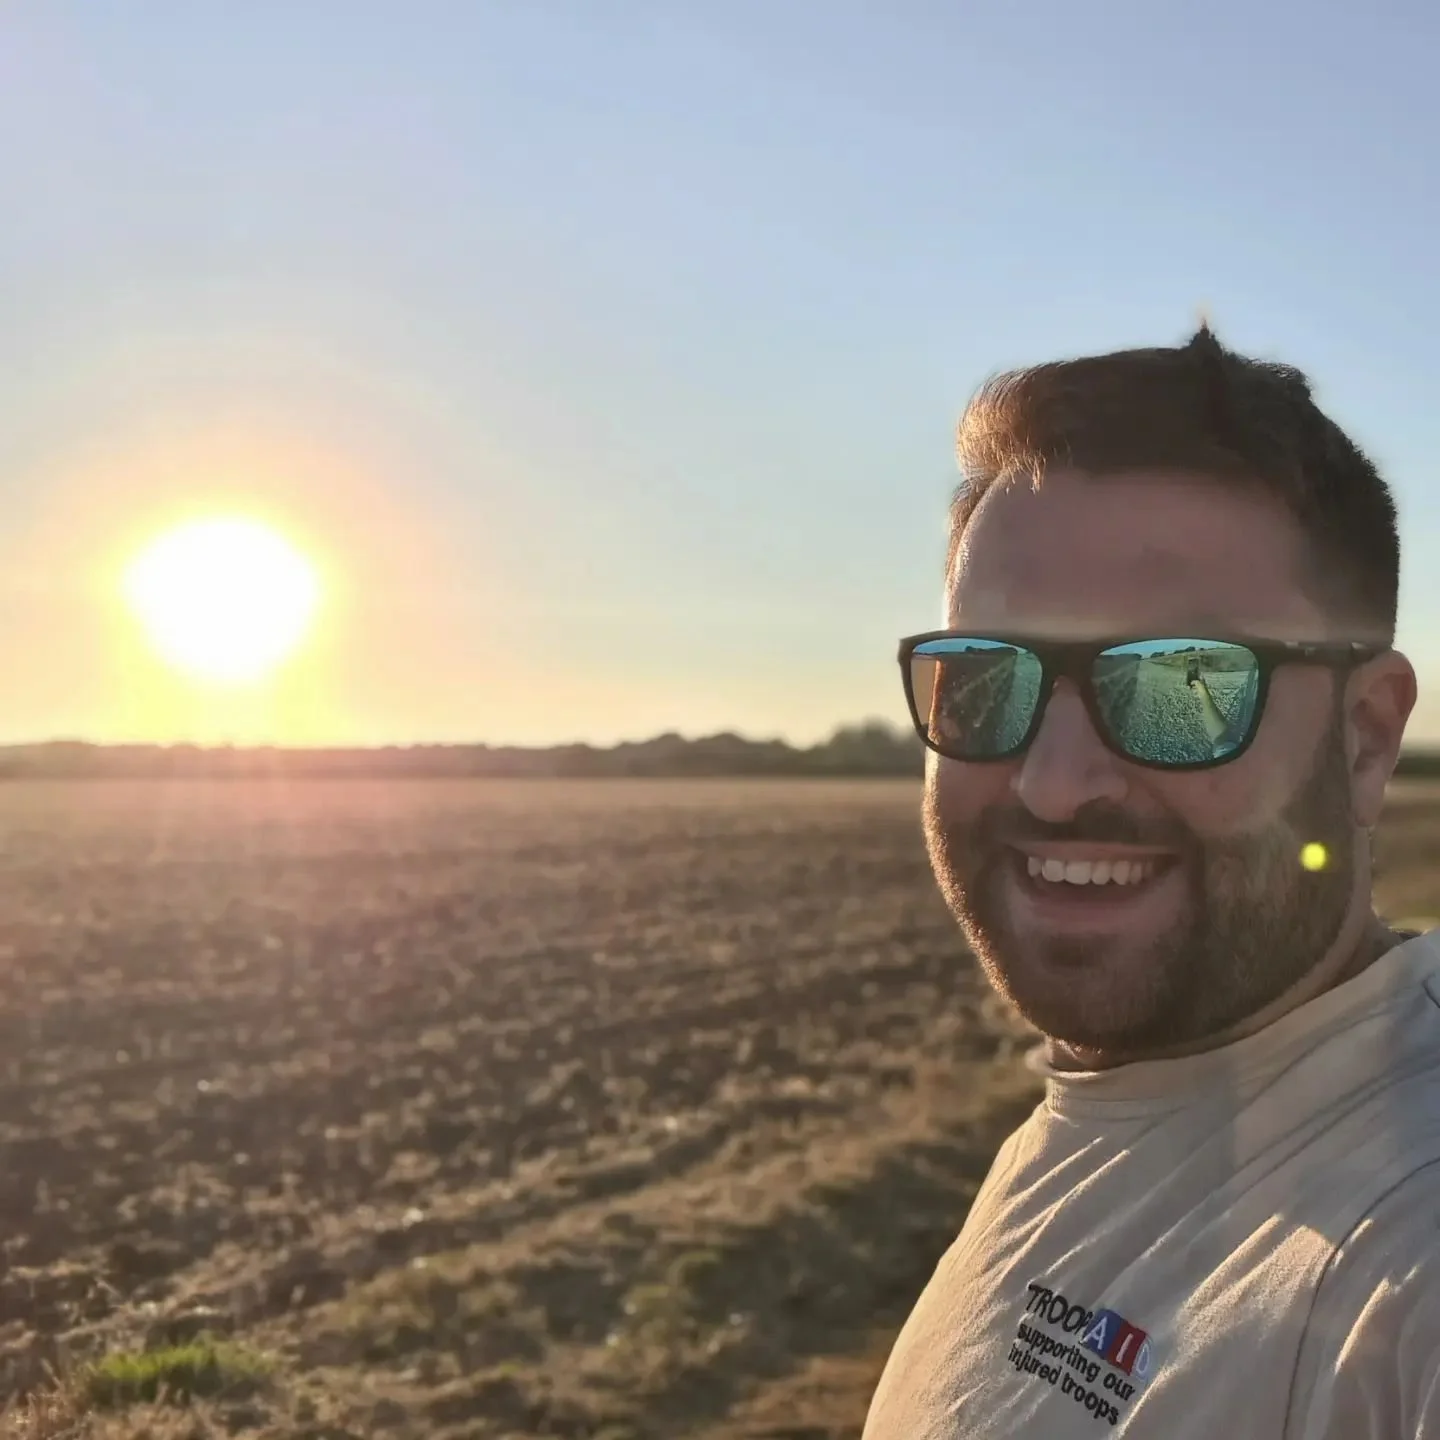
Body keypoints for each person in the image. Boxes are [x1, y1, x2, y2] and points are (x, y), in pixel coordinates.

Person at [864, 326, 1436, 1438]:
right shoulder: (1110, 1104)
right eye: (985, 676)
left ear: (1366, 739)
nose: (1056, 781)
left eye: (1182, 685)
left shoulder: (1405, 1269)